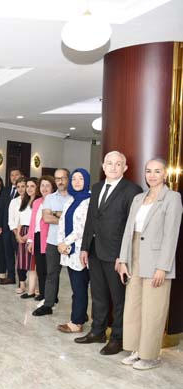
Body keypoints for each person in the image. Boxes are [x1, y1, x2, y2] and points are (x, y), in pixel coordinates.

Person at [117, 158, 182, 369]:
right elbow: (128, 231)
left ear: (165, 174)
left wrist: (163, 267)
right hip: (134, 256)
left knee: (153, 309)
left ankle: (150, 356)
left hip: (156, 261)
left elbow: (171, 235)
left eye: (157, 171)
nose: (152, 175)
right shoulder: (138, 198)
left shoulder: (172, 198)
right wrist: (123, 259)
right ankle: (137, 350)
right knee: (133, 306)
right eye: (148, 171)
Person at [77, 151, 142, 355]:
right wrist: (85, 247)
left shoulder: (132, 190)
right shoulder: (96, 188)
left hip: (116, 255)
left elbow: (131, 227)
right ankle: (97, 332)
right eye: (109, 163)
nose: (113, 167)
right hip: (95, 250)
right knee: (98, 295)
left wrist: (123, 257)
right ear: (103, 166)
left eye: (118, 164)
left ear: (125, 168)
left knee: (119, 299)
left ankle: (118, 338)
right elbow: (91, 219)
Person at [56, 169, 91, 333]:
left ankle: (76, 322)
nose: (77, 182)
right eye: (74, 179)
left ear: (87, 181)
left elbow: (82, 228)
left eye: (81, 178)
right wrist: (60, 243)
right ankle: (81, 314)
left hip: (80, 250)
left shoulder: (89, 201)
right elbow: (62, 223)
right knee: (76, 286)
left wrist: (65, 242)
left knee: (79, 288)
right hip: (68, 249)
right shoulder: (70, 200)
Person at [33, 168, 71, 316]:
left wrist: (55, 213)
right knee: (51, 274)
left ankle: (79, 309)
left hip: (71, 242)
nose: (60, 181)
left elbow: (77, 220)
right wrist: (66, 217)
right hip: (53, 241)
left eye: (63, 178)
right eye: (57, 178)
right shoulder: (49, 198)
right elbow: (46, 218)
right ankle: (48, 304)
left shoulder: (74, 197)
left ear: (68, 179)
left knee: (76, 277)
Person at [26, 176, 56, 301]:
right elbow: (33, 222)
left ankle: (52, 296)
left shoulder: (55, 201)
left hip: (50, 238)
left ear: (52, 188)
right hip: (37, 237)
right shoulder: (37, 202)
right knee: (40, 268)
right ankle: (43, 293)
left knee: (51, 270)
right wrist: (30, 240)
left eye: (47, 185)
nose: (44, 188)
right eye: (42, 185)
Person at [0, 168, 22, 284]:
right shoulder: (5, 190)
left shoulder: (24, 191)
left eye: (17, 175)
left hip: (18, 228)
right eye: (12, 175)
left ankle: (22, 279)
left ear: (21, 176)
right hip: (6, 227)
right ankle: (11, 276)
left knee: (19, 254)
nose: (14, 177)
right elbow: (1, 208)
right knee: (8, 253)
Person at [17, 178, 39, 298]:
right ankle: (30, 288)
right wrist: (18, 234)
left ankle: (34, 288)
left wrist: (27, 236)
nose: (29, 189)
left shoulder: (38, 202)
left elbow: (35, 222)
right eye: (28, 186)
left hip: (32, 233)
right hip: (22, 232)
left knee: (33, 264)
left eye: (32, 186)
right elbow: (20, 220)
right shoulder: (24, 201)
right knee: (25, 263)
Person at [7, 177, 27, 294]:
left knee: (30, 260)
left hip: (29, 234)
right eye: (18, 187)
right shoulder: (14, 201)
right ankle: (22, 282)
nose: (20, 189)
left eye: (23, 186)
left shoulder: (32, 201)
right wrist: (17, 235)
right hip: (16, 234)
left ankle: (34, 284)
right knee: (19, 259)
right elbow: (11, 220)